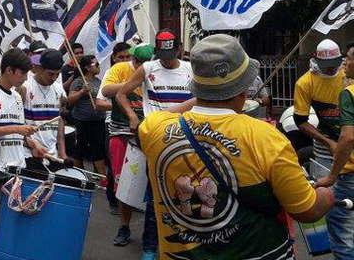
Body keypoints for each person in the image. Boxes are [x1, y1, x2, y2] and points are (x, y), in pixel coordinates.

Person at [139, 34, 335, 259]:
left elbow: (161, 116)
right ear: (244, 88)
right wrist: (327, 194)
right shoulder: (266, 138)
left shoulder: (153, 129)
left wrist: (204, 95)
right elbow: (307, 211)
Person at [117, 31, 192, 260]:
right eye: (162, 54)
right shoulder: (148, 68)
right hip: (156, 136)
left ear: (178, 49)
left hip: (185, 136)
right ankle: (150, 247)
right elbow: (121, 94)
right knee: (155, 191)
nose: (166, 59)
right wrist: (132, 116)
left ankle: (184, 244)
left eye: (170, 54)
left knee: (186, 191)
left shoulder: (190, 70)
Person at [101, 43, 154, 246]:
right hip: (122, 133)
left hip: (151, 135)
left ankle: (155, 230)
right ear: (134, 61)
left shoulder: (159, 71)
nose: (143, 66)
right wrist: (133, 82)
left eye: (147, 63)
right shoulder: (119, 69)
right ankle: (124, 226)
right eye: (139, 63)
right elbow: (106, 91)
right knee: (125, 184)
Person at [0, 48, 43, 206]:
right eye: (23, 73)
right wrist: (17, 129)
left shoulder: (17, 96)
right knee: (6, 219)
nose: (26, 79)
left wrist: (32, 143)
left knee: (17, 219)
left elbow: (18, 132)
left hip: (18, 167)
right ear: (8, 70)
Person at [316, 42, 354, 258]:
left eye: (348, 58)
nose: (345, 63)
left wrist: (332, 175)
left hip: (350, 177)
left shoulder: (349, 93)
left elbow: (347, 138)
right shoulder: (307, 83)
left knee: (342, 235)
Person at [294, 39, 345, 174]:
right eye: (326, 65)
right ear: (316, 60)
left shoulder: (348, 73)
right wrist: (328, 142)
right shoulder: (305, 83)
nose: (331, 69)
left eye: (334, 64)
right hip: (325, 149)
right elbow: (300, 120)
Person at [97, 42, 132, 215]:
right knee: (114, 166)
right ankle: (113, 200)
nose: (124, 60)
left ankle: (129, 199)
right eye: (121, 57)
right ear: (113, 58)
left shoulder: (136, 73)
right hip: (113, 126)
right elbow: (99, 103)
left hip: (133, 126)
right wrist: (122, 107)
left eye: (128, 57)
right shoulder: (111, 74)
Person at [20, 49, 67, 171]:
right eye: (51, 74)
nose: (54, 78)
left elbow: (60, 122)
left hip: (52, 154)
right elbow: (16, 125)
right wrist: (31, 144)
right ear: (39, 68)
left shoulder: (59, 90)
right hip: (29, 154)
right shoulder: (24, 88)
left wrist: (62, 153)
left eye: (57, 74)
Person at [68, 55, 106, 176]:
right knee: (80, 149)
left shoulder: (99, 82)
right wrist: (82, 92)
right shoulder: (79, 82)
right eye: (96, 64)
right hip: (82, 121)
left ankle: (101, 176)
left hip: (98, 120)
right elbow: (70, 100)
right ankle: (81, 175)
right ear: (87, 68)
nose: (99, 66)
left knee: (98, 148)